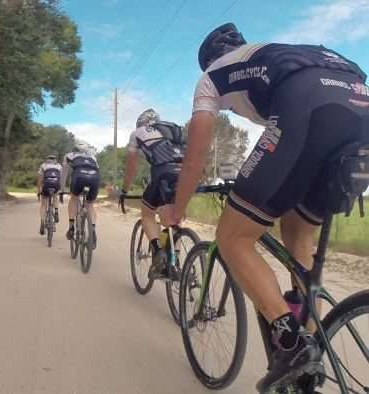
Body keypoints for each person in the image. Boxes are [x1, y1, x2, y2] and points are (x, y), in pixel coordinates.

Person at [157, 23, 369, 392]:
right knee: (297, 231)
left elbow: (195, 157)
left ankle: (292, 346)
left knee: (232, 238)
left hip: (308, 106)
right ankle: (309, 348)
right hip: (359, 108)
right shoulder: (274, 54)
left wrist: (178, 208)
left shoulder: (212, 76)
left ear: (208, 59)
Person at [119, 109, 185, 278]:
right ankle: (173, 262)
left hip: (163, 173)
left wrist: (125, 190)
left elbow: (131, 168)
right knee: (172, 219)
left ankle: (158, 252)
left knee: (148, 215)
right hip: (186, 174)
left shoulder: (137, 133)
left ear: (140, 123)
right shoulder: (172, 130)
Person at [62, 142, 101, 246]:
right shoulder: (93, 157)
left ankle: (71, 227)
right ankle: (92, 232)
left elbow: (64, 173)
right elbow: (98, 170)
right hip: (95, 178)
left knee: (74, 199)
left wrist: (62, 189)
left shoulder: (69, 155)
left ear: (74, 148)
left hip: (79, 177)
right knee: (90, 205)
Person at [37, 154, 62, 235]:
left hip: (46, 185)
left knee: (44, 204)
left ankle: (42, 221)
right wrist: (60, 189)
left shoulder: (43, 165)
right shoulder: (59, 166)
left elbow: (39, 177)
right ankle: (56, 211)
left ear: (47, 159)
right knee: (55, 195)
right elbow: (61, 178)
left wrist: (39, 189)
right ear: (55, 160)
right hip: (56, 185)